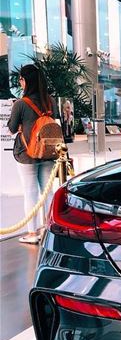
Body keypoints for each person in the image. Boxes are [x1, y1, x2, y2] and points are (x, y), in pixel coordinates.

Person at [7, 64, 58, 244]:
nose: (20, 82)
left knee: (30, 192)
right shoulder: (50, 101)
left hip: (27, 153)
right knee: (48, 192)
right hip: (49, 152)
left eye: (21, 79)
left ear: (25, 81)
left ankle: (32, 233)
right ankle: (48, 230)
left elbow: (12, 128)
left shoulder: (21, 104)